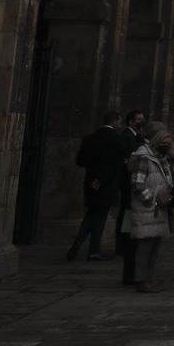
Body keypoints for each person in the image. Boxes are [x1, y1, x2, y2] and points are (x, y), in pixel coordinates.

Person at [125, 122, 174, 293]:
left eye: (169, 142)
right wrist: (153, 201)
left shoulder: (162, 158)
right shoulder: (144, 158)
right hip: (148, 209)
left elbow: (172, 178)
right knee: (145, 247)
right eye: (164, 142)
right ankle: (141, 279)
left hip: (159, 210)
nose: (167, 145)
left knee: (154, 247)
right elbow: (137, 184)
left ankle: (149, 278)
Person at [66, 111, 121, 261]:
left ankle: (78, 243)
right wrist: (101, 180)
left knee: (91, 214)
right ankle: (94, 250)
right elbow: (116, 165)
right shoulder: (116, 139)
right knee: (100, 216)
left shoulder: (90, 138)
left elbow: (80, 161)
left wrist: (94, 175)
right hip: (107, 183)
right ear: (115, 121)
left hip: (91, 181)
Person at [114, 110, 146, 284]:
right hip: (128, 182)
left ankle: (124, 243)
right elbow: (129, 155)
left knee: (127, 213)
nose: (142, 122)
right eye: (139, 120)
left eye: (143, 119)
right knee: (126, 212)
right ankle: (122, 244)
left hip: (132, 181)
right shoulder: (127, 135)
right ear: (131, 121)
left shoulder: (137, 135)